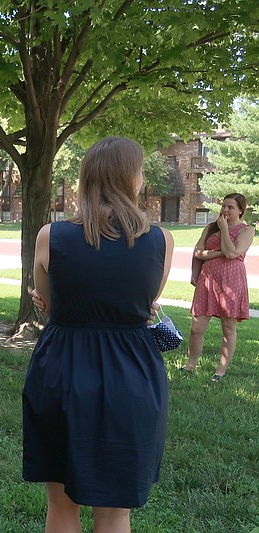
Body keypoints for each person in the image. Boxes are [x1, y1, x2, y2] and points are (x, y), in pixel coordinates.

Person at [22, 137, 174, 532]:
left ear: (87, 177)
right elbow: (146, 302)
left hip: (63, 370)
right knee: (115, 512)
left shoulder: (49, 236)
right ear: (132, 178)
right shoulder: (160, 240)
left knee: (61, 505)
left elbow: (53, 305)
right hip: (132, 376)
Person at [181, 193, 252, 382]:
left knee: (228, 328)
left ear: (240, 210)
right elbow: (197, 252)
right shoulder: (211, 227)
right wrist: (217, 252)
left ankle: (220, 370)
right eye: (224, 206)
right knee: (196, 327)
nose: (226, 210)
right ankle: (191, 365)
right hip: (207, 281)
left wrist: (224, 232)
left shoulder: (246, 231)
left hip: (232, 281)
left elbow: (231, 253)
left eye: (231, 207)